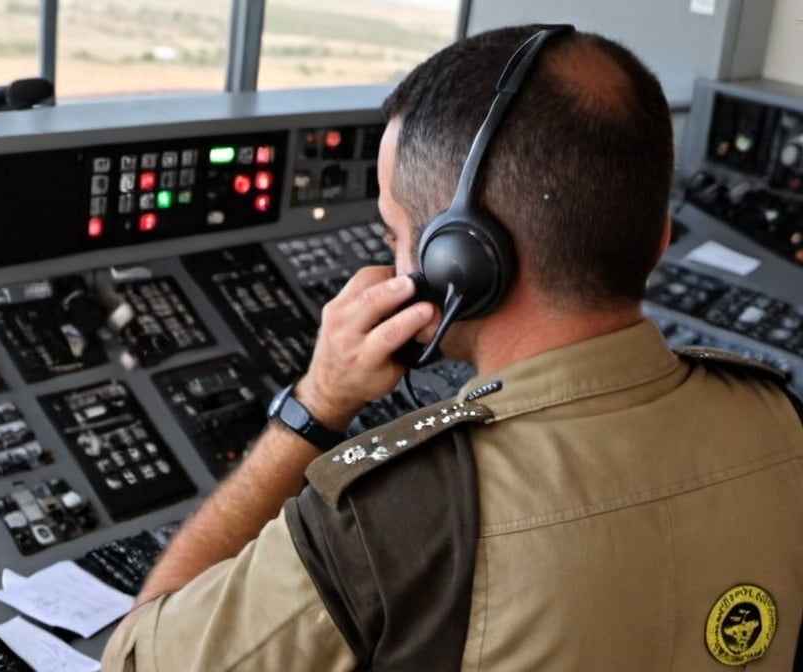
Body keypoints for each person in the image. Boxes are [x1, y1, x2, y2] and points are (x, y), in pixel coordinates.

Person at [102, 24, 803, 671]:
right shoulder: (779, 420)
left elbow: (135, 658)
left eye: (393, 235)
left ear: (461, 263)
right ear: (658, 244)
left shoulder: (393, 520)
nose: (387, 264)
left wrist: (312, 412)